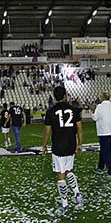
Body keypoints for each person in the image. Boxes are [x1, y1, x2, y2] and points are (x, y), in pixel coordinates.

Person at [43, 86, 84, 214]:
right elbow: (79, 129)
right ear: (65, 95)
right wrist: (79, 144)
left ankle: (65, 204)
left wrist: (44, 145)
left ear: (55, 97)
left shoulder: (51, 111)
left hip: (58, 145)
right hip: (71, 144)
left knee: (61, 175)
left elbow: (47, 131)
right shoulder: (74, 110)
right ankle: (77, 194)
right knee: (69, 170)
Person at [92, 92, 111, 177]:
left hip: (103, 131)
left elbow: (95, 118)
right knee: (104, 149)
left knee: (107, 151)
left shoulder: (100, 106)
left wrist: (93, 110)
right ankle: (100, 167)